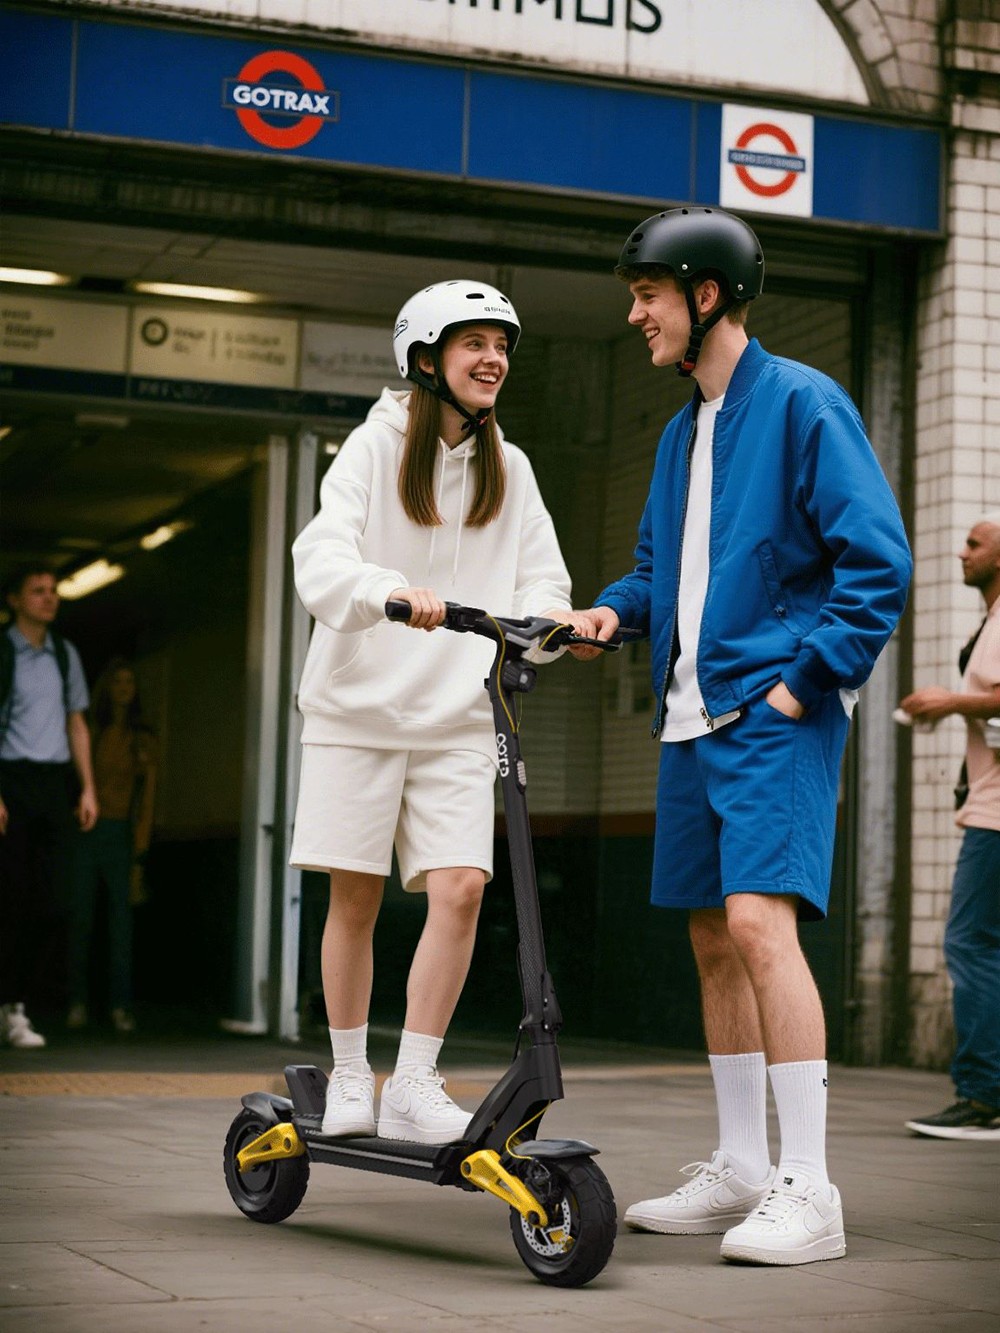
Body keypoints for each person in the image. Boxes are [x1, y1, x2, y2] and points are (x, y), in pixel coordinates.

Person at [570, 207, 912, 1265]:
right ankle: (742, 1165)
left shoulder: (805, 403)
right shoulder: (683, 432)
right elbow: (657, 570)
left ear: (704, 293)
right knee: (712, 937)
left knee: (761, 924)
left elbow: (877, 563)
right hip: (688, 718)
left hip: (771, 715)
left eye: (647, 295)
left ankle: (810, 1186)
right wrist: (608, 615)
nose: (634, 315)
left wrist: (802, 686)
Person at [290, 280, 590, 1144]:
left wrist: (552, 625)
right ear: (425, 359)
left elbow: (541, 576)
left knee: (460, 888)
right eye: (474, 343)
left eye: (502, 344)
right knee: (357, 894)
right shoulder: (375, 448)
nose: (493, 357)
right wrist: (387, 592)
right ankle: (351, 1072)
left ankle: (414, 1078)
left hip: (461, 707)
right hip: (361, 706)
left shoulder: (513, 465)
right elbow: (323, 552)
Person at [901, 513, 1000, 1140]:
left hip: (996, 814)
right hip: (987, 802)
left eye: (974, 544)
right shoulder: (989, 619)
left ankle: (983, 1095)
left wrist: (948, 701)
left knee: (969, 942)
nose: (960, 552)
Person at [0, 564, 98, 1048]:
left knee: (54, 899)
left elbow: (76, 722)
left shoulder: (64, 654)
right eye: (36, 591)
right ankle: (12, 1008)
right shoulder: (3, 651)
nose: (48, 598)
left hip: (53, 784)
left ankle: (17, 1003)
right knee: (10, 897)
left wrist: (88, 788)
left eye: (53, 591)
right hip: (10, 779)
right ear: (15, 599)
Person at [68, 656, 157, 1036]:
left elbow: (148, 795)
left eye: (129, 682)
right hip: (88, 831)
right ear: (107, 687)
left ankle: (120, 1006)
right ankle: (78, 1002)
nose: (123, 688)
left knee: (121, 925)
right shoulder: (91, 728)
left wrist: (140, 844)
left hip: (122, 833)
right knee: (82, 918)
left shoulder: (143, 737)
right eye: (117, 681)